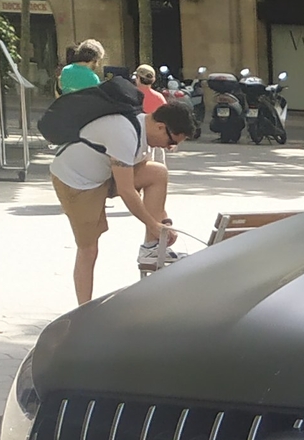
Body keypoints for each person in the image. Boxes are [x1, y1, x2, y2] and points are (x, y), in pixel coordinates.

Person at [50, 92, 196, 304]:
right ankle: (83, 309)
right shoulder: (124, 133)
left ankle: (151, 248)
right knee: (88, 247)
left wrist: (162, 224)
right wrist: (153, 224)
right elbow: (127, 191)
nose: (168, 147)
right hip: (77, 181)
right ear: (161, 127)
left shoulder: (145, 134)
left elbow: (143, 190)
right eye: (171, 141)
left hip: (105, 174)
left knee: (158, 173)